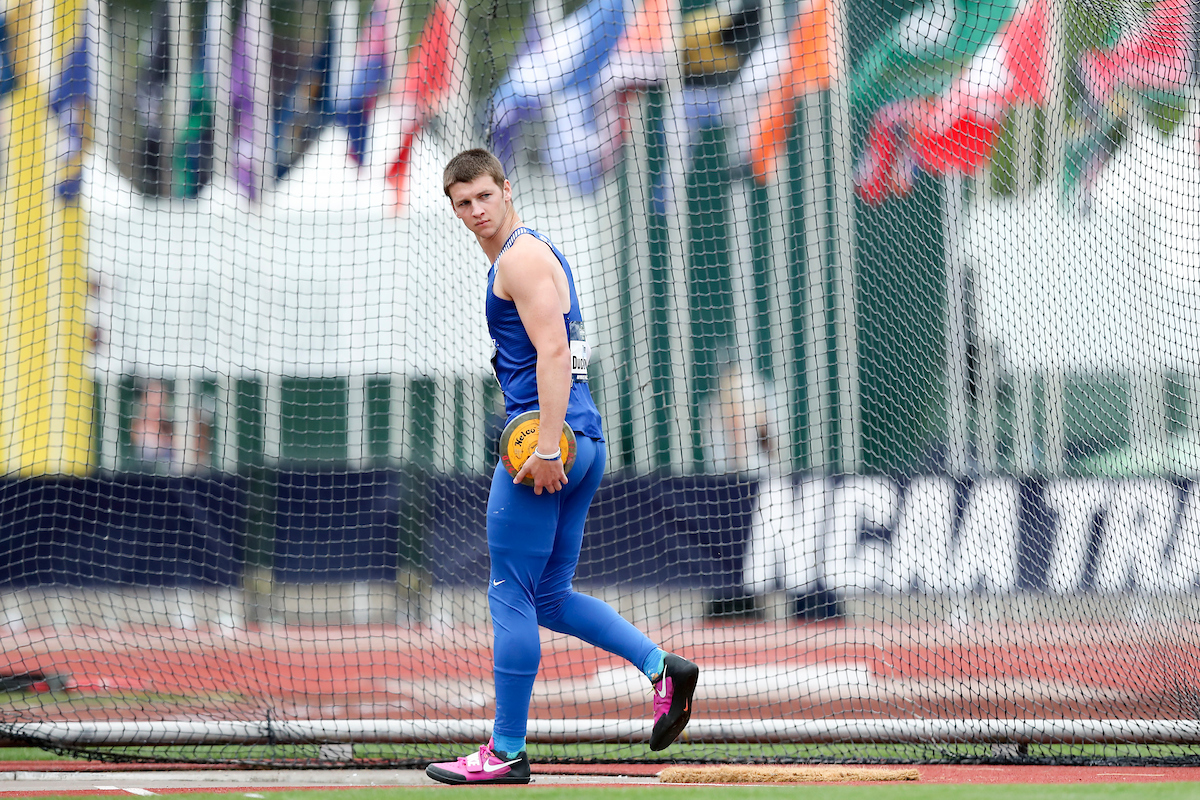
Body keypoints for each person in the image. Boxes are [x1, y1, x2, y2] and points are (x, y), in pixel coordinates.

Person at [426, 149, 699, 785]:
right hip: (585, 438)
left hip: (547, 445)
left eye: (483, 197)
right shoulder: (531, 252)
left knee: (511, 594)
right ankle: (662, 668)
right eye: (462, 204)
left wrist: (547, 447)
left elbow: (552, 349)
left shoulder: (518, 259)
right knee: (547, 595)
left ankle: (506, 750)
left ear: (506, 189)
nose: (475, 212)